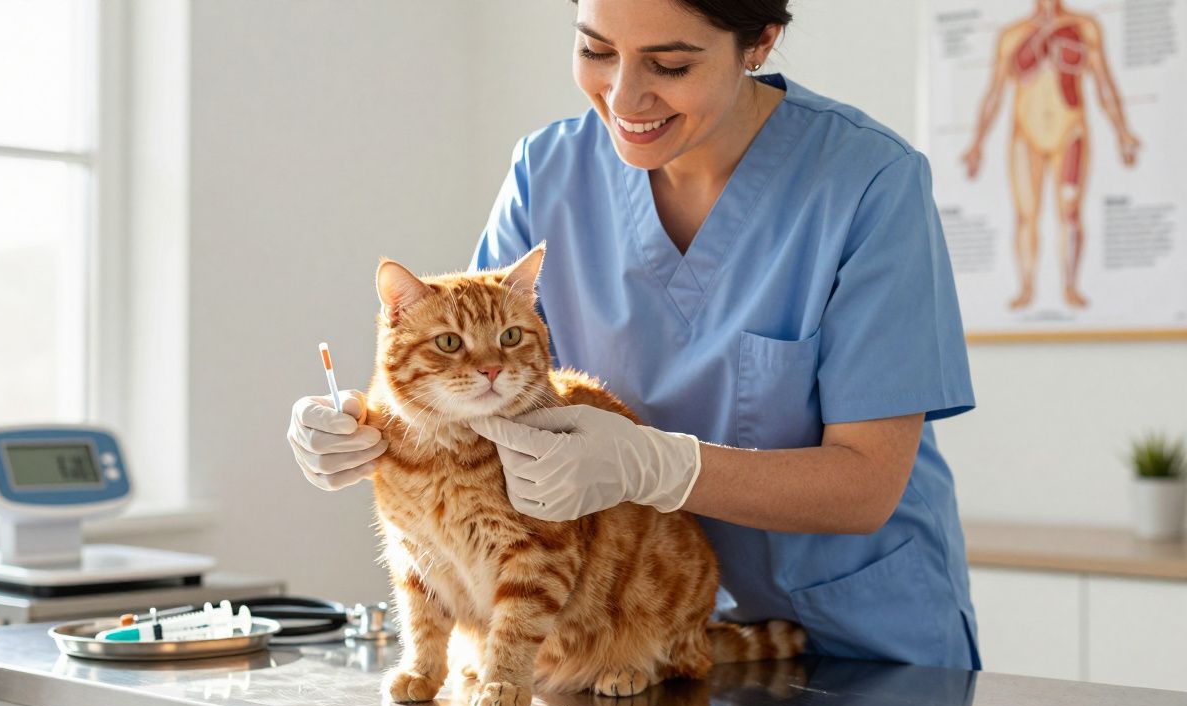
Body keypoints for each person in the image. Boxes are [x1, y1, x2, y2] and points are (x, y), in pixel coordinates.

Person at [289, 0, 980, 670]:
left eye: (670, 65)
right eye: (595, 50)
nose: (624, 96)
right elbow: (470, 366)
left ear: (761, 44)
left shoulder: (868, 183)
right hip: (610, 627)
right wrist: (374, 425)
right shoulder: (547, 173)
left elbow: (866, 485)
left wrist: (660, 467)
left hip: (855, 644)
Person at [962, 0, 1139, 310]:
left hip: (1069, 130)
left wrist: (1122, 131)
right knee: (1026, 214)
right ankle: (1027, 287)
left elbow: (1104, 83)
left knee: (1069, 211)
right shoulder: (1012, 34)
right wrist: (977, 142)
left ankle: (1070, 286)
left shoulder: (1085, 27)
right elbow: (994, 92)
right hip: (1025, 136)